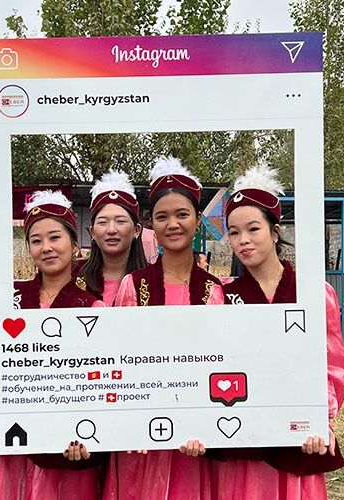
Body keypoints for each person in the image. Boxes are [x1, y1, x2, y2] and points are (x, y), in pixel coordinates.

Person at [0, 190, 105, 500]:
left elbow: (98, 377)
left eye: (55, 238)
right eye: (36, 241)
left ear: (75, 245)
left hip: (65, 428)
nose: (46, 247)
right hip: (10, 420)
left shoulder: (92, 307)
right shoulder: (7, 298)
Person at [206, 165, 344, 500]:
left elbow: (331, 365)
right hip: (241, 432)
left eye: (253, 229)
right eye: (234, 232)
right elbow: (213, 363)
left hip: (298, 432)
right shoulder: (221, 295)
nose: (243, 240)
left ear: (275, 231)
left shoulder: (314, 292)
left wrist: (318, 417)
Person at [102, 156, 223, 500]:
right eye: (162, 217)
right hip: (140, 437)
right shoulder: (133, 285)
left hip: (195, 436)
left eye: (182, 214)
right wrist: (130, 421)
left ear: (197, 219)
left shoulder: (214, 290)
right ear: (151, 225)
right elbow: (118, 359)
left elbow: (221, 362)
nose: (173, 224)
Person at [77, 170, 147, 305]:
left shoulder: (153, 279)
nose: (111, 230)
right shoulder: (74, 278)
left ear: (136, 230)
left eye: (120, 221)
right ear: (92, 232)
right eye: (102, 222)